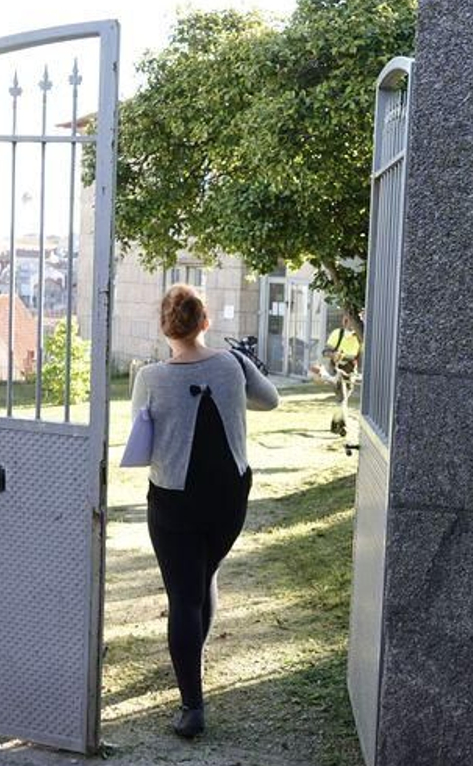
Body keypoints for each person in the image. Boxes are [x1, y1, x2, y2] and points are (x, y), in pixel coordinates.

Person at [130, 284, 280, 738]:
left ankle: (192, 706)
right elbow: (270, 399)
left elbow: (142, 433)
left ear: (164, 326)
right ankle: (194, 664)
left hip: (174, 499)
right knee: (203, 579)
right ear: (205, 321)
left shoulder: (151, 378)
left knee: (184, 596)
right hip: (229, 496)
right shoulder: (233, 363)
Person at [309, 315, 361, 436]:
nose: (352, 325)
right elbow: (325, 352)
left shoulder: (359, 337)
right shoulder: (337, 333)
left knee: (342, 399)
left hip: (351, 369)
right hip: (336, 368)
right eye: (350, 322)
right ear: (345, 321)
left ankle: (334, 424)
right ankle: (343, 426)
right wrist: (334, 355)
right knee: (342, 397)